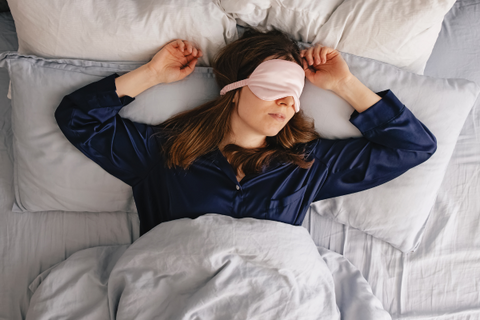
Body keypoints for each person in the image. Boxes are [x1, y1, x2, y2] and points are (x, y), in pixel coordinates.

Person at [55, 28, 437, 236]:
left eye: (295, 94)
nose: (288, 104)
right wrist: (152, 75)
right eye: (275, 88)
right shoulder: (162, 152)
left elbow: (414, 146)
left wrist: (345, 86)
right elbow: (78, 117)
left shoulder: (309, 165)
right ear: (234, 90)